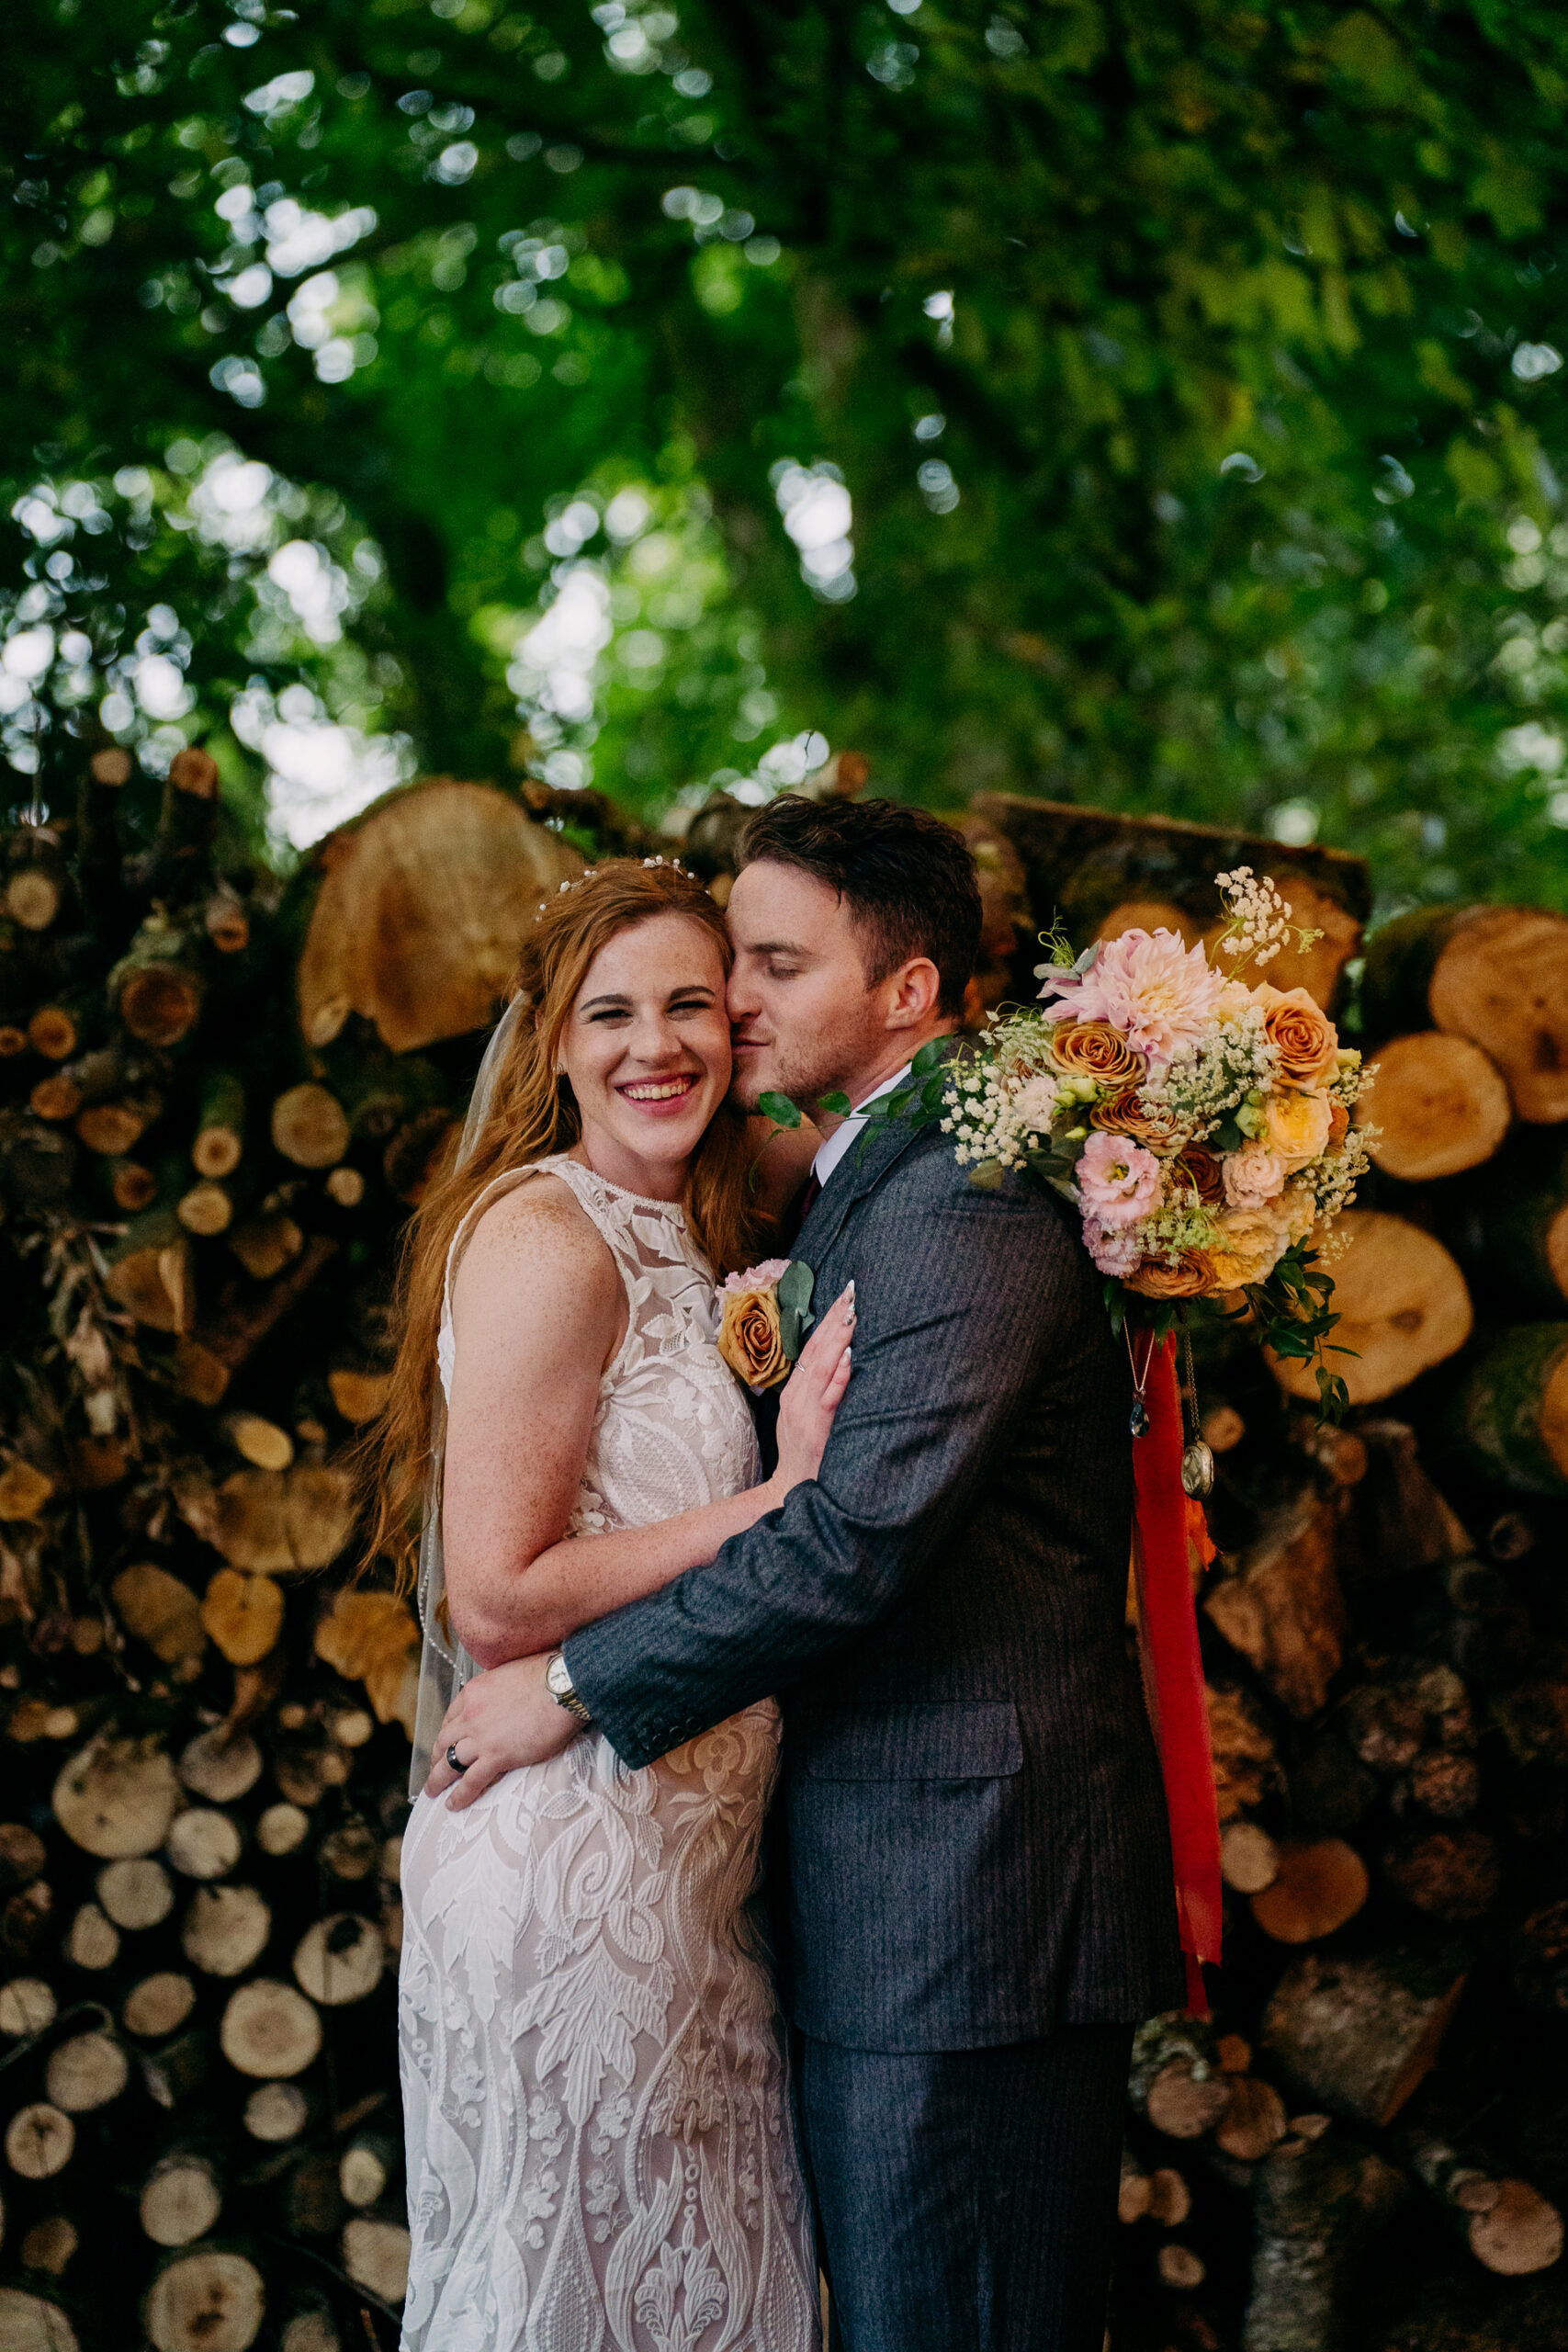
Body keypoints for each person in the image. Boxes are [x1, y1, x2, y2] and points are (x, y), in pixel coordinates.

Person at [429, 796, 1186, 2352]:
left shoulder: (959, 1202)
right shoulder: (845, 1183)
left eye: (768, 967)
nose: (734, 1005)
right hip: (846, 1890)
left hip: (964, 1902)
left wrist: (575, 1685)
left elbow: (855, 1536)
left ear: (908, 990)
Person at [371, 857, 853, 2351]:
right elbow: (499, 1595)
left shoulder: (695, 1223)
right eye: (612, 1014)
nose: (658, 1046)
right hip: (566, 1861)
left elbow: (854, 1117)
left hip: (688, 1871)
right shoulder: (548, 1239)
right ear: (554, 1044)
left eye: (693, 1006)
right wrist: (776, 1502)